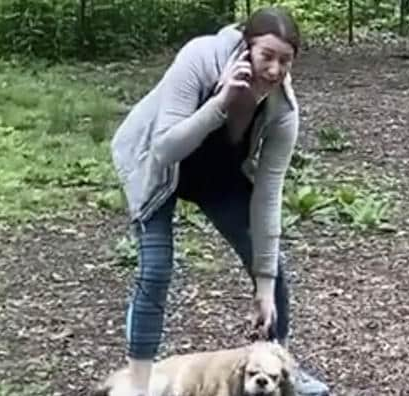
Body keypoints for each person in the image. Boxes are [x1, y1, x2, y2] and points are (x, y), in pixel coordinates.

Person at [109, 6, 330, 396]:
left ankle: (280, 369)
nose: (275, 70)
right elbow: (164, 148)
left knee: (271, 267)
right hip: (155, 165)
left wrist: (263, 285)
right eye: (267, 56)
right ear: (246, 49)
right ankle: (138, 385)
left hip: (216, 174)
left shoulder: (282, 112)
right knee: (156, 269)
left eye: (286, 60)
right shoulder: (200, 57)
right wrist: (222, 101)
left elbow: (267, 197)